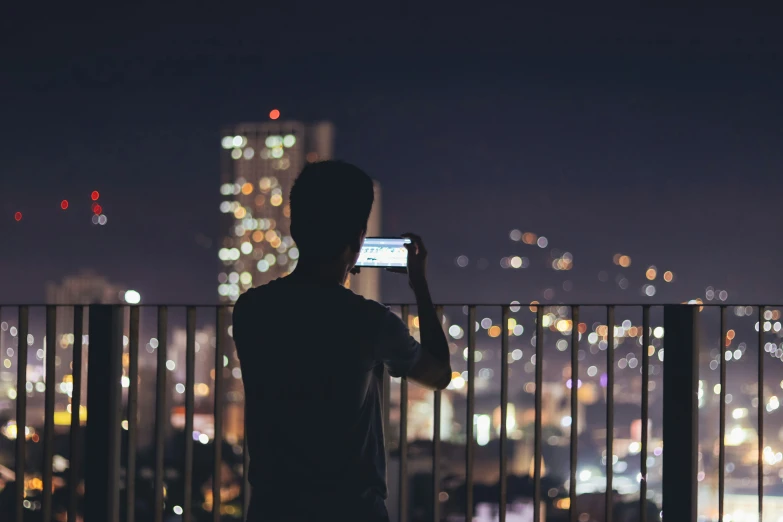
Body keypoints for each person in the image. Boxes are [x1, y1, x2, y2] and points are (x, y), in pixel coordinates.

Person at [233, 160, 452, 522]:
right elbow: (439, 374)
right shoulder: (370, 321)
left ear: (294, 229)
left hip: (273, 507)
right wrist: (420, 285)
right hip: (351, 509)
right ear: (358, 240)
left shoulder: (251, 310)